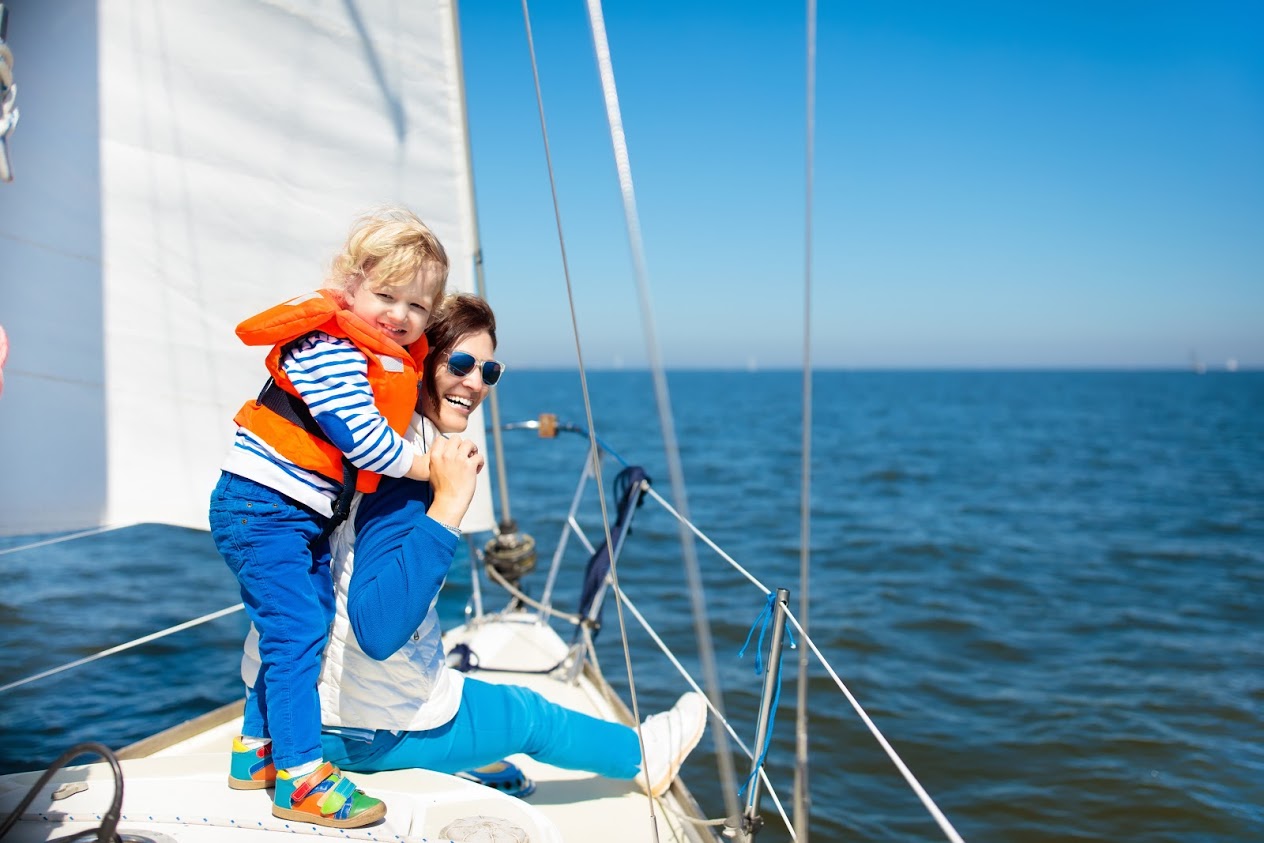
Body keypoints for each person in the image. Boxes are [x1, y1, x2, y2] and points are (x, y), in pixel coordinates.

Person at [241, 293, 708, 815]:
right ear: (419, 359)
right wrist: (450, 502)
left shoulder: (361, 444)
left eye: (490, 370)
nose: (476, 382)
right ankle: (645, 756)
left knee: (472, 696)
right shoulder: (410, 472)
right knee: (531, 717)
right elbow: (376, 629)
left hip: (290, 713)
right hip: (362, 728)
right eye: (460, 364)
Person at [209, 208, 448, 829]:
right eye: (385, 296)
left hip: (295, 514)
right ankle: (300, 777)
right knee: (295, 632)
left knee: (300, 623)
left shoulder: (371, 347)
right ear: (351, 285)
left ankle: (257, 748)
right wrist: (432, 467)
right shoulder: (330, 346)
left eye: (417, 308)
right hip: (262, 510)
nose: (398, 317)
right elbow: (364, 442)